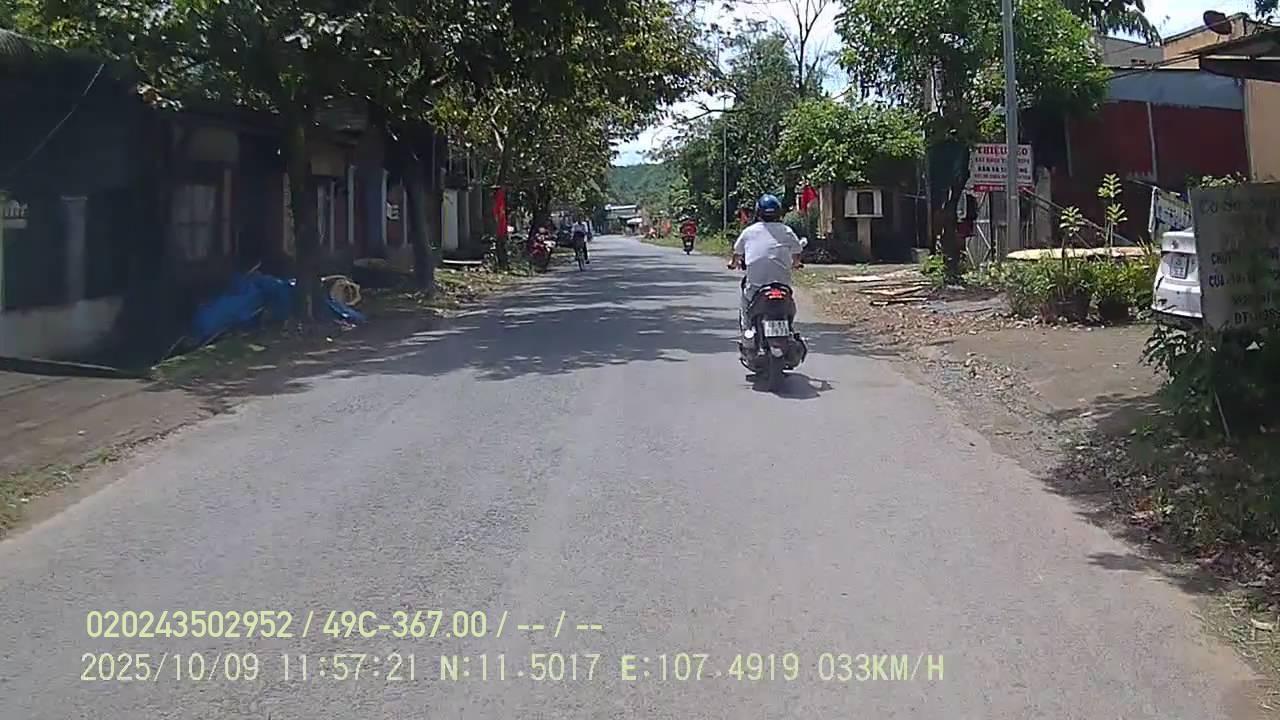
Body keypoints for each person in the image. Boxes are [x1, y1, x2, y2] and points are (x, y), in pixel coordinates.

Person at [728, 194, 804, 336]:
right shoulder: (786, 230)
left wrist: (733, 264)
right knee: (789, 303)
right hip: (782, 285)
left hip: (756, 286)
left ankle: (747, 332)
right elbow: (797, 251)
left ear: (758, 212)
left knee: (745, 304)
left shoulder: (749, 231)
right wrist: (796, 263)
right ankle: (789, 328)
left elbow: (737, 252)